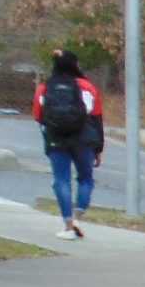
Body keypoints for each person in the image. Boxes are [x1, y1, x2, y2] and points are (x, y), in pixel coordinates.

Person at [33, 49, 105, 240]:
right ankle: (78, 217)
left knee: (61, 180)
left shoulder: (46, 87)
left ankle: (67, 224)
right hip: (84, 140)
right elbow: (97, 118)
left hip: (57, 139)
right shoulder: (88, 87)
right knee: (86, 179)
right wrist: (98, 148)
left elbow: (38, 116)